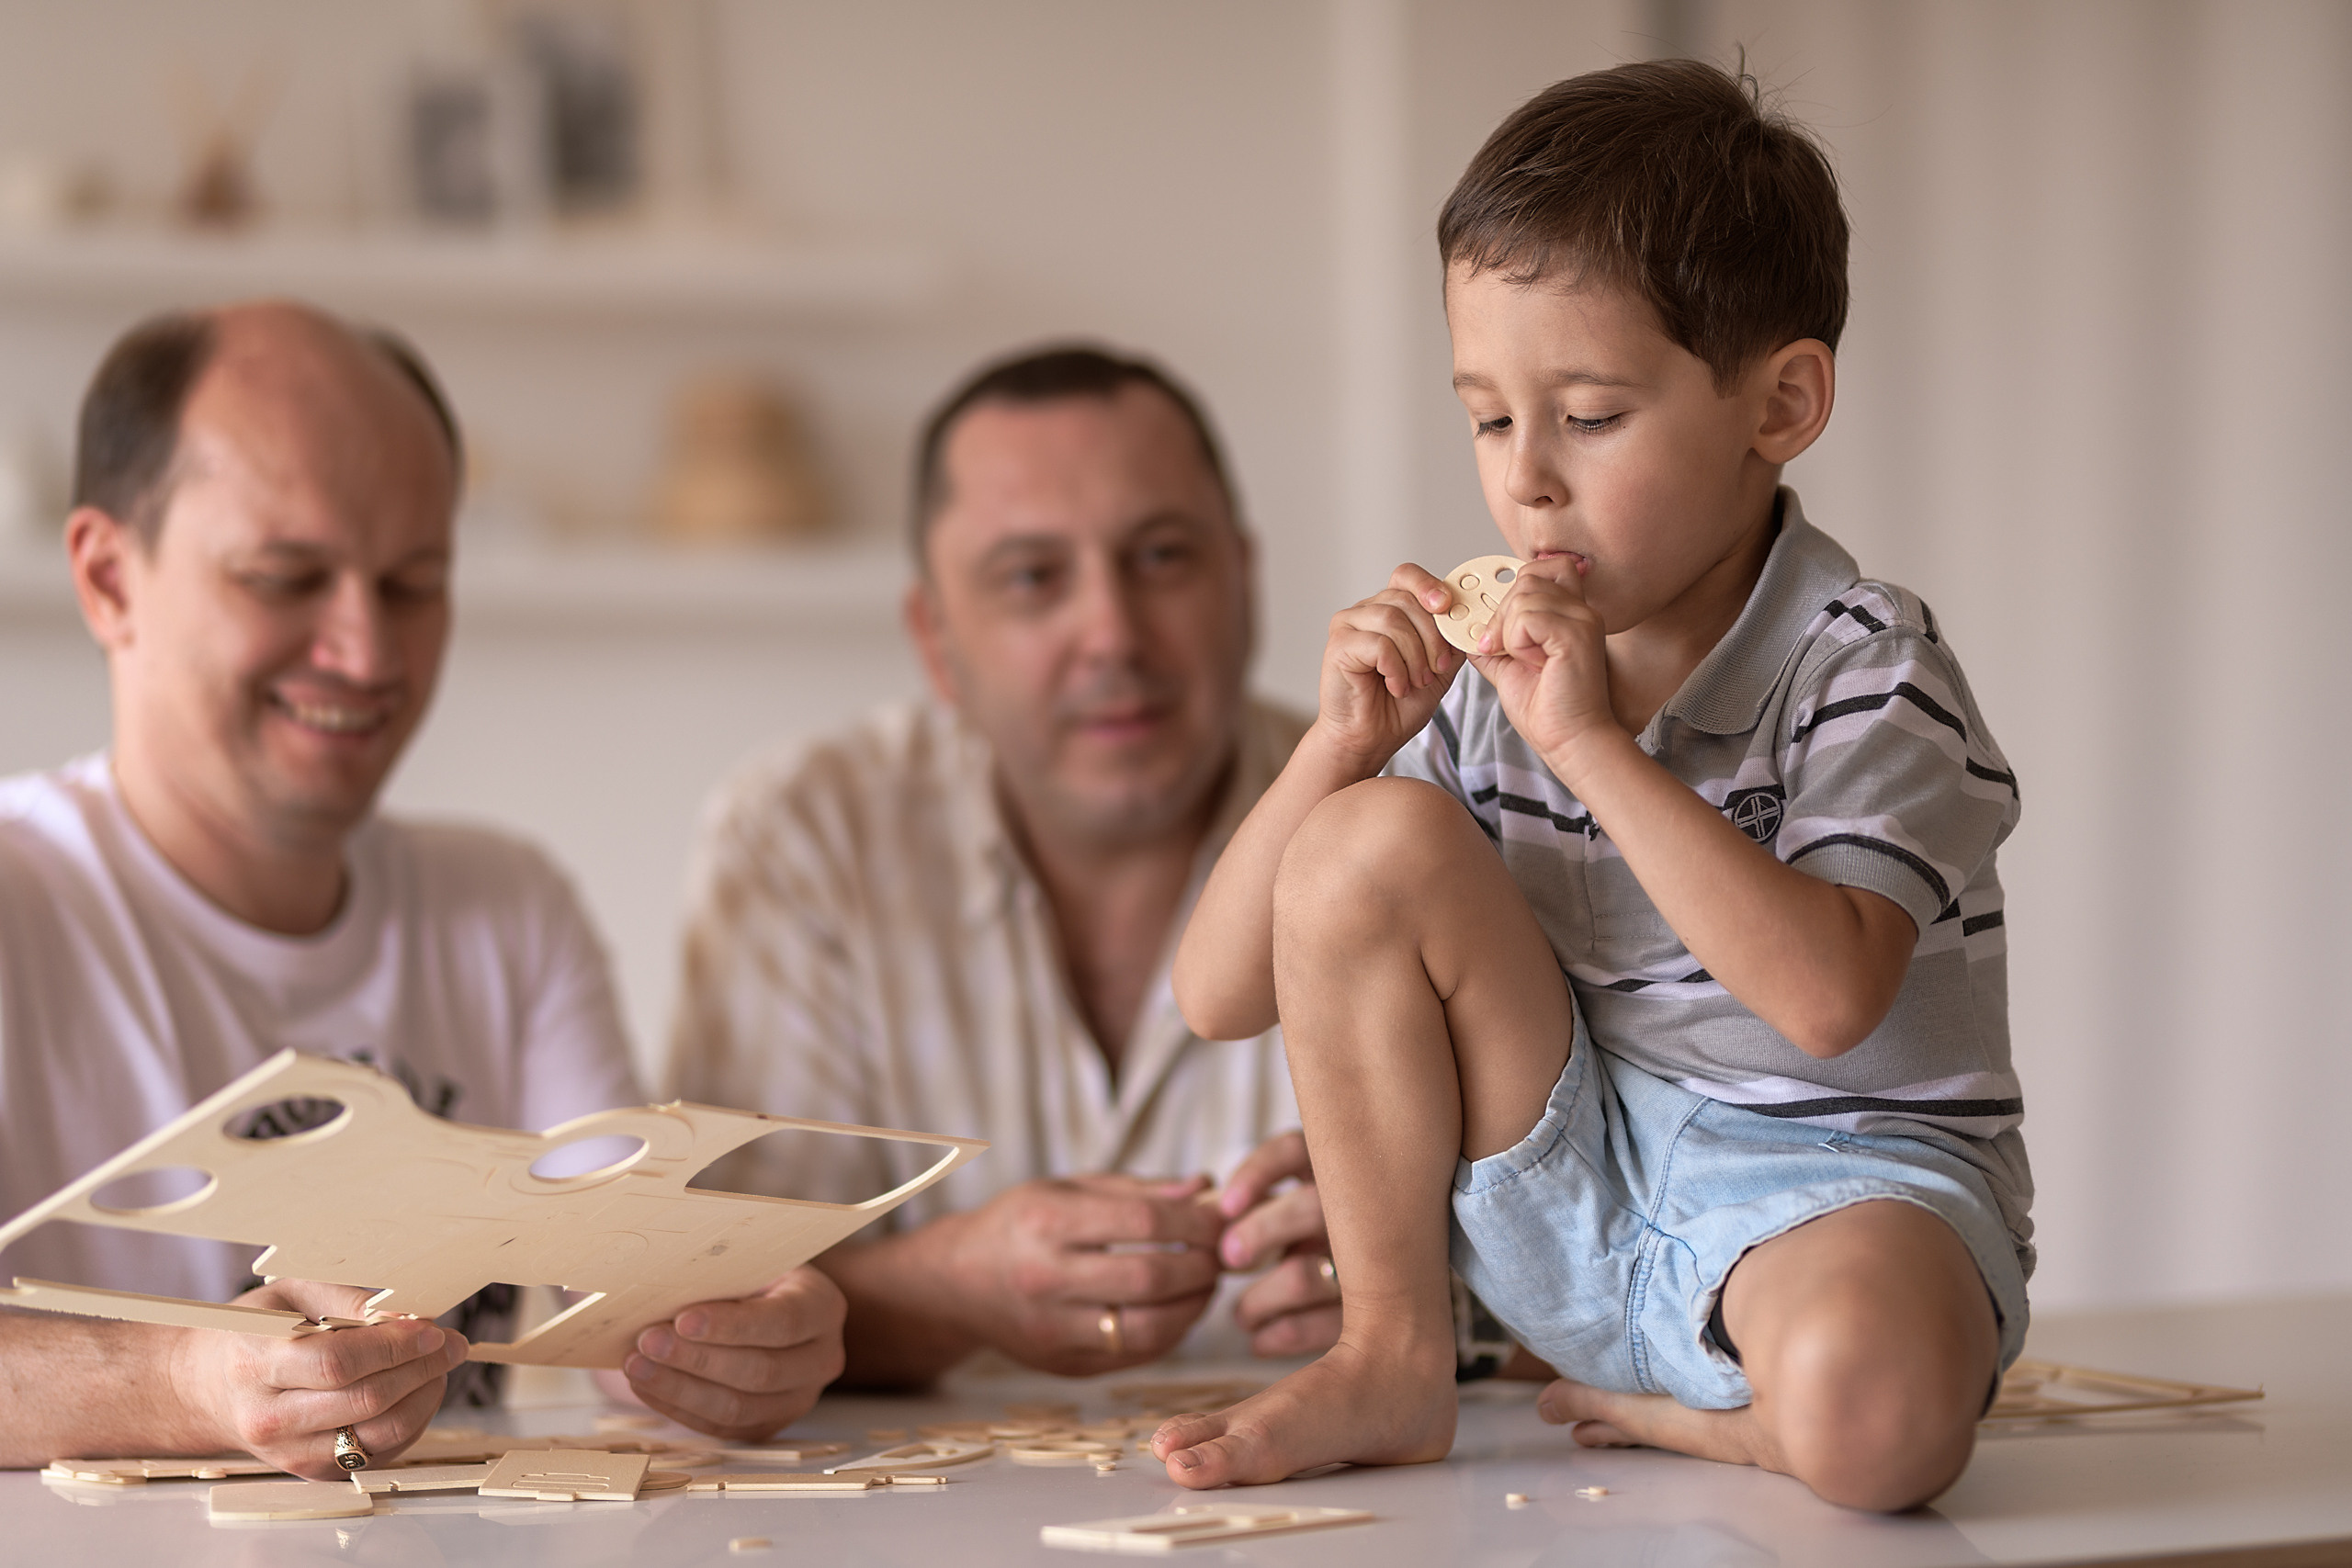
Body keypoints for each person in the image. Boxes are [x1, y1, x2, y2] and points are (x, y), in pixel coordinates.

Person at [1155, 61, 2031, 1513]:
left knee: (1875, 1426)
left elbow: (1825, 1000)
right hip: (1559, 1199)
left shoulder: (1865, 664)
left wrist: (1595, 751)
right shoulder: (1501, 681)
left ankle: (1746, 1415)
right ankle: (1395, 1347)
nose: (1529, 485)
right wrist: (1336, 748)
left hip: (1829, 1193)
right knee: (1368, 837)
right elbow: (1215, 992)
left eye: (1592, 415)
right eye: (1492, 420)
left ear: (1782, 402)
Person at [0, 302, 844, 1478]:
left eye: (413, 582)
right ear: (107, 579)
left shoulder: (507, 907)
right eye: (285, 577)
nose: (367, 650)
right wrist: (193, 1382)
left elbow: (617, 1297)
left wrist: (731, 1332)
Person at [667, 346, 1342, 1385]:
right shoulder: (806, 835)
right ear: (935, 641)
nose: (1111, 633)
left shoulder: (1405, 817)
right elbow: (697, 1311)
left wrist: (1451, 1289)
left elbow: (1650, 1249)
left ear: (1243, 583)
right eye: (1032, 579)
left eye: (1161, 558)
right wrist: (940, 1292)